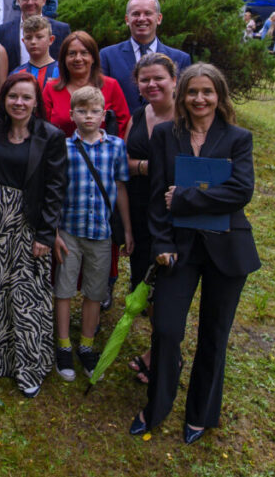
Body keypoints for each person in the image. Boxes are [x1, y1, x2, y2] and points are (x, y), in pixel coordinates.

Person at [129, 63, 259, 445]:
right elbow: (156, 198)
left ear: (219, 95)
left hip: (227, 250)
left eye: (207, 92)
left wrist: (185, 197)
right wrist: (163, 244)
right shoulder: (167, 135)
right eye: (192, 92)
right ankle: (157, 406)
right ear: (181, 96)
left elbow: (241, 191)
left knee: (213, 334)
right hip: (178, 249)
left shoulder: (238, 138)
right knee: (166, 330)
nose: (199, 99)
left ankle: (201, 412)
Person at [0, 73, 67, 398]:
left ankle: (30, 366)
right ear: (4, 100)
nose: (19, 103)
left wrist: (44, 234)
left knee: (28, 295)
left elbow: (55, 188)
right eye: (13, 97)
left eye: (26, 97)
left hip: (30, 221)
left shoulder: (50, 136)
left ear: (36, 101)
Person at [53, 86, 133, 382]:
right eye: (82, 111)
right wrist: (54, 231)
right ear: (72, 114)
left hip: (100, 232)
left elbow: (121, 187)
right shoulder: (63, 147)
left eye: (95, 111)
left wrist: (126, 228)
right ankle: (63, 344)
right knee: (63, 288)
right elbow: (55, 192)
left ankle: (86, 345)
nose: (89, 116)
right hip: (69, 231)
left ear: (104, 115)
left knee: (95, 291)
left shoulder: (116, 146)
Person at [124, 52, 178, 384]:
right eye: (145, 79)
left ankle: (163, 353)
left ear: (174, 79)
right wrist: (147, 167)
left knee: (167, 288)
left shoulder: (187, 118)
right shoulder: (138, 114)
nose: (151, 84)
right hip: (140, 207)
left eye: (158, 77)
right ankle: (160, 347)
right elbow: (124, 160)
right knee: (146, 283)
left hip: (174, 213)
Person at [99, 0, 192, 111]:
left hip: (167, 127)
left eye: (148, 13)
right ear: (127, 20)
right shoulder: (108, 56)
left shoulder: (180, 58)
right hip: (123, 127)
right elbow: (103, 100)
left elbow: (183, 100)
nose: (142, 18)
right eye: (136, 14)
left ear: (159, 19)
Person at [43, 31, 131, 138]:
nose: (78, 58)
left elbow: (123, 124)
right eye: (72, 53)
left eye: (84, 53)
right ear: (64, 59)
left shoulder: (111, 86)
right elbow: (43, 127)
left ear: (93, 57)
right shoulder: (51, 89)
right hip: (61, 152)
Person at [0, 0, 71, 74]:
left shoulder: (61, 30)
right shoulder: (2, 31)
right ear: (18, 1)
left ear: (44, 0)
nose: (30, 2)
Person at [11, 14, 60, 88]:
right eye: (28, 37)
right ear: (23, 41)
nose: (33, 41)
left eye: (39, 37)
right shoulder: (16, 74)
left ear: (51, 40)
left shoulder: (62, 72)